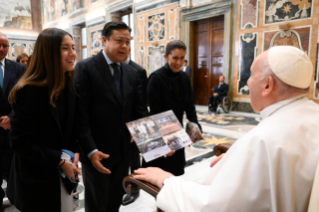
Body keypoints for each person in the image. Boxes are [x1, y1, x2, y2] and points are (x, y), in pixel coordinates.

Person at [134, 46, 319, 212]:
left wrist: (167, 182)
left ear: (268, 85)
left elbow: (213, 206)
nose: (247, 83)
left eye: (251, 75)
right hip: (164, 132)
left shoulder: (260, 142)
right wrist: (238, 155)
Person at [75, 21, 148, 212]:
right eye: (119, 41)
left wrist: (156, 143)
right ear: (104, 40)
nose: (124, 46)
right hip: (96, 153)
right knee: (96, 204)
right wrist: (90, 151)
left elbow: (139, 112)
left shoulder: (132, 73)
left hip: (123, 152)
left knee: (114, 201)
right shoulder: (85, 68)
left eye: (128, 42)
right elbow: (80, 116)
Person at [7, 28, 80, 212]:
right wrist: (60, 161)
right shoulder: (28, 90)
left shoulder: (68, 84)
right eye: (65, 48)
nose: (73, 53)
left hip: (61, 176)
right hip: (35, 179)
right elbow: (19, 143)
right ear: (49, 52)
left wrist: (74, 152)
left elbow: (69, 128)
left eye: (73, 47)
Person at [143, 40, 201, 176]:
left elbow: (190, 106)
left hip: (177, 132)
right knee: (159, 178)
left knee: (175, 175)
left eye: (182, 58)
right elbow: (155, 113)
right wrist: (167, 142)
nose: (179, 62)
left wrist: (195, 128)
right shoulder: (156, 78)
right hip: (161, 134)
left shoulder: (185, 78)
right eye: (175, 58)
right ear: (166, 57)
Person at [0, 32, 25, 212]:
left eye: (5, 45)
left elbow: (27, 100)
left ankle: (16, 201)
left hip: (13, 131)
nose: (2, 49)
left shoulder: (19, 69)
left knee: (15, 172)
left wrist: (12, 116)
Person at [122, 49, 148, 206]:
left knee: (133, 159)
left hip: (133, 125)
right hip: (115, 125)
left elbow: (142, 103)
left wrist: (139, 128)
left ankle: (134, 189)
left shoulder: (138, 70)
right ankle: (121, 187)